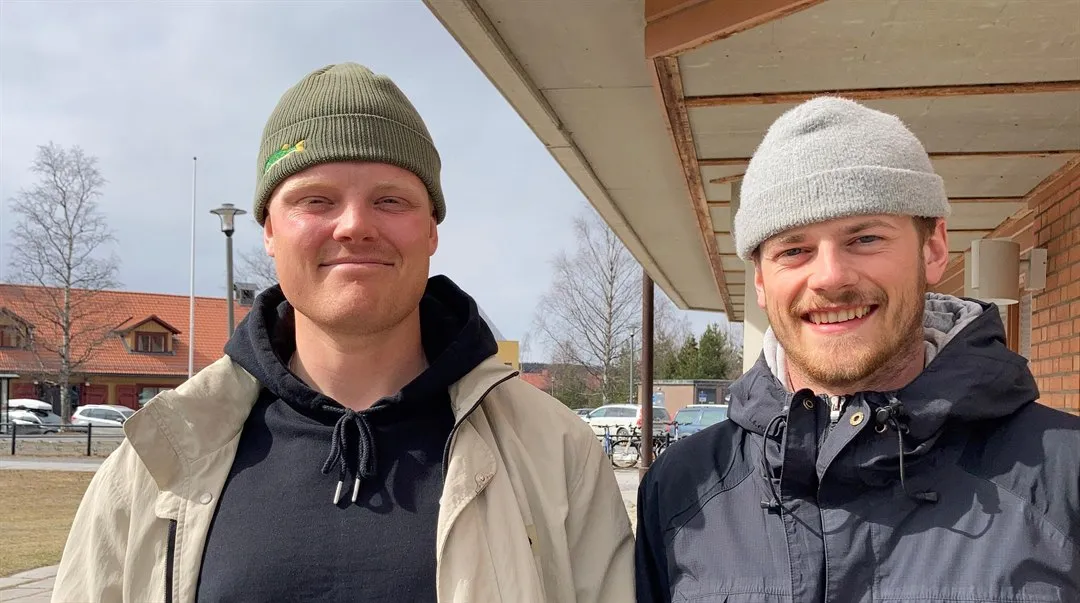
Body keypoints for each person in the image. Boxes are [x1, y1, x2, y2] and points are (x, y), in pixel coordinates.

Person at [53, 63, 634, 603]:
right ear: (270, 231)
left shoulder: (555, 453)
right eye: (316, 200)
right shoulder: (160, 457)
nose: (355, 225)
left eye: (390, 200)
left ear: (431, 230)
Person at [635, 97, 1080, 602]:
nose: (830, 277)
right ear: (760, 282)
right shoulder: (682, 488)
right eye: (794, 250)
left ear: (934, 249)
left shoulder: (1064, 476)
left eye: (865, 237)